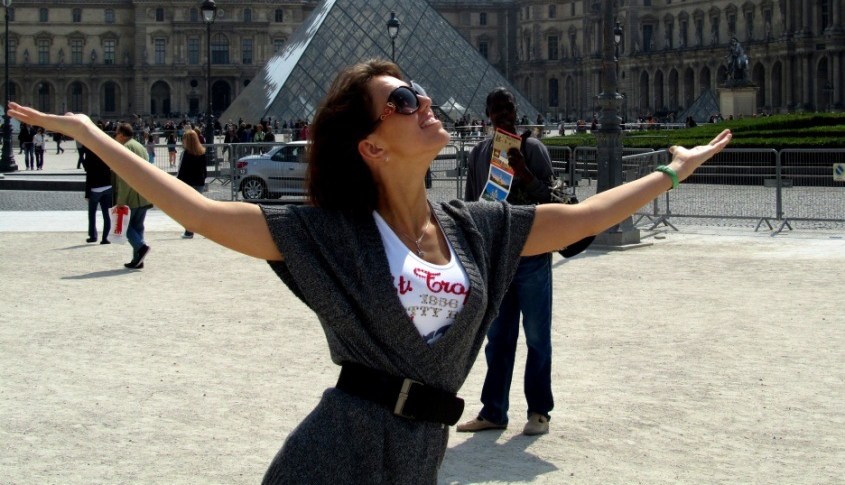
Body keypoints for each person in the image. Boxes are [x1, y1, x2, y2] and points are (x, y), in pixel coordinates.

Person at [6, 60, 732, 485]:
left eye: (419, 91)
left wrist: (675, 169)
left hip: (419, 456)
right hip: (335, 455)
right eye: (402, 102)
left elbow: (581, 217)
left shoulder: (478, 227)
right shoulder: (329, 236)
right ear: (372, 146)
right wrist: (90, 134)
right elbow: (195, 207)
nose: (424, 103)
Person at [457, 88, 561, 436]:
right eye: (496, 109)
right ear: (487, 114)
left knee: (537, 338)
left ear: (515, 111)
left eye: (508, 107)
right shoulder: (479, 153)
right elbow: (472, 205)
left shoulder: (533, 149)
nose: (503, 113)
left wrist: (525, 174)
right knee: (498, 338)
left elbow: (553, 198)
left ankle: (539, 411)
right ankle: (493, 411)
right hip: (497, 257)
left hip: (532, 253)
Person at [113, 122, 153, 270]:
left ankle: (141, 247)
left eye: (116, 134)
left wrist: (120, 201)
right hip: (143, 194)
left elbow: (125, 179)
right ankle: (138, 260)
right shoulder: (140, 147)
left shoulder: (125, 149)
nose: (115, 137)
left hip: (130, 196)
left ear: (122, 135)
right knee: (138, 227)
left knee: (124, 226)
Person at [82, 129, 112, 244]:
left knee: (92, 213)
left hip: (95, 188)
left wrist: (87, 193)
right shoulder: (107, 151)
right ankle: (106, 237)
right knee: (106, 214)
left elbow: (89, 174)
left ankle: (93, 235)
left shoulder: (90, 152)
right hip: (107, 186)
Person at [176, 129, 207, 239]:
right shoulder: (202, 152)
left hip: (188, 184)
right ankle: (205, 230)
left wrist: (177, 182)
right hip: (199, 183)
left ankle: (189, 232)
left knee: (188, 209)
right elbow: (205, 170)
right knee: (198, 208)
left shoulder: (185, 154)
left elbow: (181, 171)